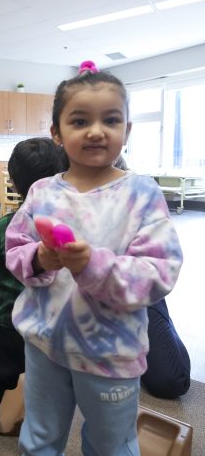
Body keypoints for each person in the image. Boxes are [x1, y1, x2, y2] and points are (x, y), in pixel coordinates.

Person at [4, 61, 183, 455]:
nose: (96, 131)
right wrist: (39, 259)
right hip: (45, 343)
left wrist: (91, 266)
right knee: (39, 437)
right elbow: (14, 249)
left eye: (111, 120)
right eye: (80, 121)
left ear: (127, 130)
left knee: (111, 444)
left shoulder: (142, 194)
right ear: (56, 132)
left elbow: (158, 272)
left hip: (110, 351)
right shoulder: (42, 192)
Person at [0, 138, 68, 454]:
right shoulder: (68, 225)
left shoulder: (7, 225)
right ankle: (38, 432)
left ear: (13, 182)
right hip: (50, 322)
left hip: (7, 318)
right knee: (46, 381)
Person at [112, 155, 191, 400]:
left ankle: (160, 322)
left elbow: (161, 263)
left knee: (169, 381)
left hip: (135, 293)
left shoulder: (140, 198)